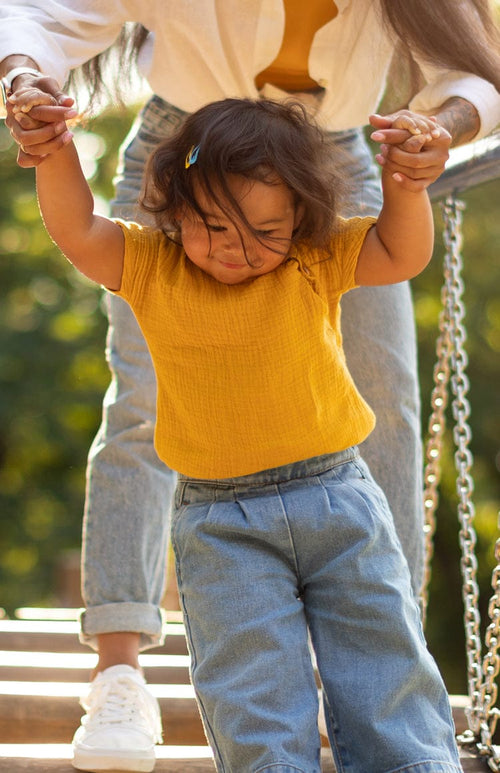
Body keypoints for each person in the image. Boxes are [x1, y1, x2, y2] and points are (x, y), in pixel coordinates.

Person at [1, 2, 500, 770]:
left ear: (299, 230)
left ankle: (407, 735)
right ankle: (119, 668)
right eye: (223, 234)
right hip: (193, 159)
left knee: (381, 658)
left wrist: (411, 167)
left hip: (336, 489)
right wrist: (51, 135)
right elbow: (77, 221)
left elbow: (400, 247)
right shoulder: (159, 260)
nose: (240, 252)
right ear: (174, 221)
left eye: (266, 235)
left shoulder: (311, 254)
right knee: (251, 692)